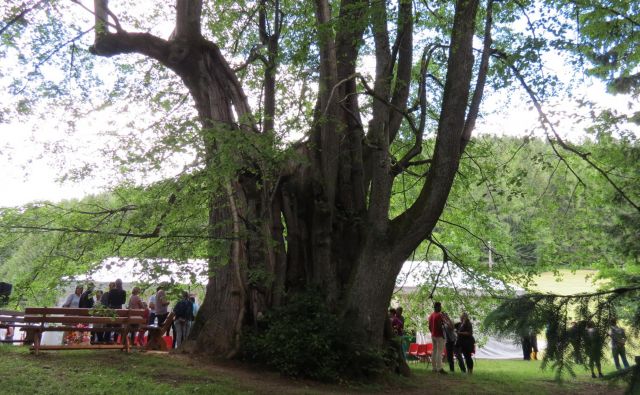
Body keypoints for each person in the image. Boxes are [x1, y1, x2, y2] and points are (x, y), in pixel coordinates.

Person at [428, 301, 447, 374]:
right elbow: (440, 326)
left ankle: (434, 368)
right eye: (440, 306)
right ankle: (439, 368)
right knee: (439, 352)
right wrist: (442, 334)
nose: (441, 308)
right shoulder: (439, 315)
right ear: (437, 307)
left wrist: (432, 332)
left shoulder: (431, 315)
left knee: (434, 351)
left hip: (433, 335)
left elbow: (429, 327)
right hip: (439, 336)